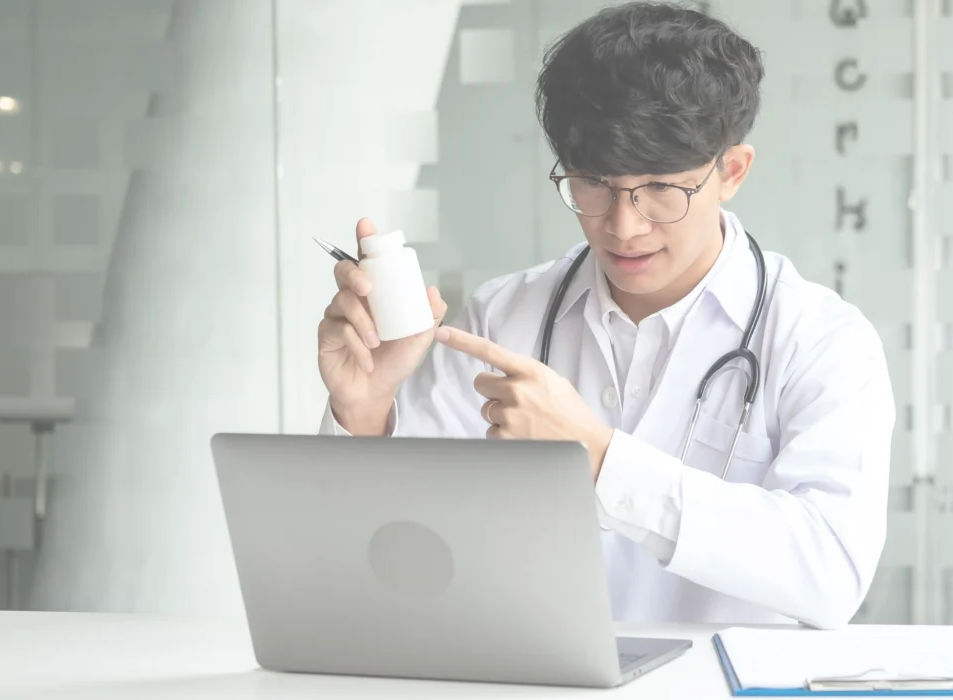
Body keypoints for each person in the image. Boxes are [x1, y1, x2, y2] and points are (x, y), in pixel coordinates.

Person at [316, 1, 894, 629]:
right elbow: (385, 558)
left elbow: (831, 572)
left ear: (731, 171)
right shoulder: (505, 319)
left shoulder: (821, 341)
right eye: (593, 184)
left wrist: (600, 460)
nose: (624, 226)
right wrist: (367, 413)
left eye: (661, 189)